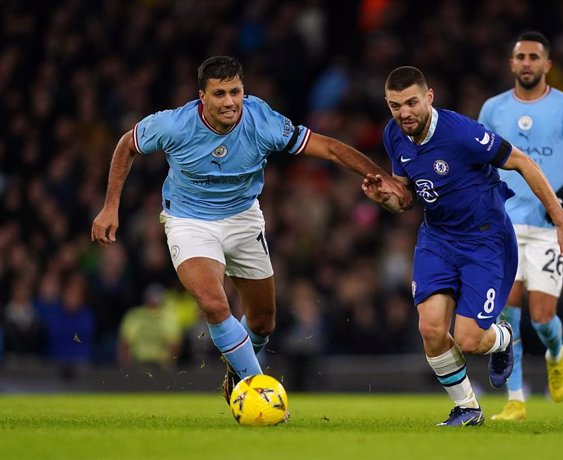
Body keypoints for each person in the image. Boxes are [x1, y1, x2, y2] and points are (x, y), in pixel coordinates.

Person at [91, 56, 411, 404]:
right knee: (215, 304)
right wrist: (111, 206)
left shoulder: (264, 121)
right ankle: (258, 390)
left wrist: (381, 177)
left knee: (262, 323)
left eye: (235, 92)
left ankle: (238, 371)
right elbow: (127, 144)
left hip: (243, 218)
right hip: (189, 221)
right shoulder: (173, 125)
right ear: (203, 96)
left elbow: (330, 149)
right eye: (219, 94)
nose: (229, 102)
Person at [361, 66, 563, 426]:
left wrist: (560, 219)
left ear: (429, 97)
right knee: (431, 329)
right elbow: (407, 199)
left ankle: (502, 338)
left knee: (468, 339)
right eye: (394, 105)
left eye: (411, 103)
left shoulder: (461, 133)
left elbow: (522, 162)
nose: (404, 113)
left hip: (485, 240)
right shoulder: (394, 135)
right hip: (437, 237)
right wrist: (385, 198)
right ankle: (468, 407)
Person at [478, 31, 563, 421]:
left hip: (549, 224)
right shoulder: (493, 109)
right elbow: (478, 161)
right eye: (520, 56)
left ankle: (556, 353)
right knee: (506, 315)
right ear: (511, 64)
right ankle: (516, 400)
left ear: (547, 65)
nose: (527, 63)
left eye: (534, 57)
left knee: (542, 318)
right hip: (505, 224)